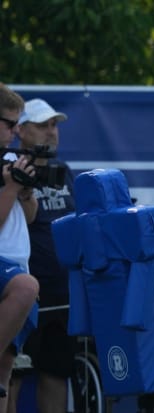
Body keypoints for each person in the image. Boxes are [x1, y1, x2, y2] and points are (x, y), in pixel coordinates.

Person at [6, 98, 77, 413]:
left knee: (55, 371)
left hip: (62, 292)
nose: (52, 132)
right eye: (42, 125)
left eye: (55, 125)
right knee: (13, 372)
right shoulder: (9, 164)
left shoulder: (63, 171)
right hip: (22, 284)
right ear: (20, 130)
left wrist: (24, 191)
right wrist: (16, 183)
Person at [0, 84, 39, 411]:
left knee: (5, 372)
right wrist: (12, 187)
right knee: (27, 287)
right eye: (10, 124)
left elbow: (30, 217)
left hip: (16, 262)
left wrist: (25, 193)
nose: (16, 132)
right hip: (7, 270)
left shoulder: (13, 158)